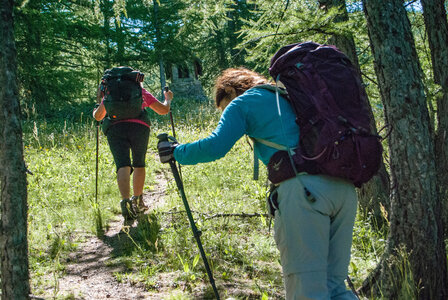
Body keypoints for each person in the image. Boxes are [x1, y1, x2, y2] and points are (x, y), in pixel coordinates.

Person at [158, 68, 358, 299]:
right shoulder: (288, 95)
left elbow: (216, 146)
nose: (225, 111)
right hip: (343, 188)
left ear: (230, 90)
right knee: (334, 287)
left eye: (224, 106)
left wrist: (177, 152)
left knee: (306, 289)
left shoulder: (243, 102)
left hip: (303, 192)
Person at [93, 77, 173, 223]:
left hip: (115, 129)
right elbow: (163, 110)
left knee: (122, 164)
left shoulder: (110, 95)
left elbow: (98, 117)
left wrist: (96, 109)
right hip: (139, 127)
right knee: (139, 163)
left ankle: (126, 203)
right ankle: (138, 200)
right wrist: (168, 99)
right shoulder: (140, 92)